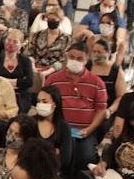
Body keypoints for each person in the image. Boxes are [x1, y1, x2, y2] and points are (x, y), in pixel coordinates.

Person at [43, 43, 107, 171]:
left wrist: (89, 129)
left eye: (80, 59)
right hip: (57, 130)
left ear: (86, 59)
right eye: (72, 57)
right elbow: (44, 102)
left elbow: (101, 110)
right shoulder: (53, 79)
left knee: (85, 158)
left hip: (83, 132)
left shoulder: (97, 83)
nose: (75, 61)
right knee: (48, 155)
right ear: (67, 56)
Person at [34, 85, 73, 179]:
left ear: (55, 104)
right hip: (31, 169)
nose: (40, 104)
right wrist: (53, 151)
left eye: (45, 101)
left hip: (52, 173)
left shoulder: (64, 127)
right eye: (39, 101)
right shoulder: (31, 122)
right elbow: (23, 151)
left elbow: (65, 160)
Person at [89, 39, 127, 130]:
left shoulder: (116, 71)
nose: (96, 54)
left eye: (99, 52)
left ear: (108, 53)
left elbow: (121, 96)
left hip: (107, 110)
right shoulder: (87, 67)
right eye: (94, 51)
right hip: (88, 108)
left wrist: (110, 110)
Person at [0, 29, 34, 113]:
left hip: (21, 96)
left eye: (15, 42)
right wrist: (18, 82)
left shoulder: (26, 61)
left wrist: (4, 81)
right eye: (9, 40)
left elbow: (29, 82)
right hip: (1, 95)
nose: (11, 43)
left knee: (17, 111)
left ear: (20, 45)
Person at [29, 8, 70, 79]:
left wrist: (47, 72)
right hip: (36, 68)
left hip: (54, 71)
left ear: (60, 20)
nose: (50, 21)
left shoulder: (66, 39)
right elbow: (30, 52)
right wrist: (33, 67)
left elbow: (63, 60)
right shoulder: (38, 34)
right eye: (49, 19)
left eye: (53, 20)